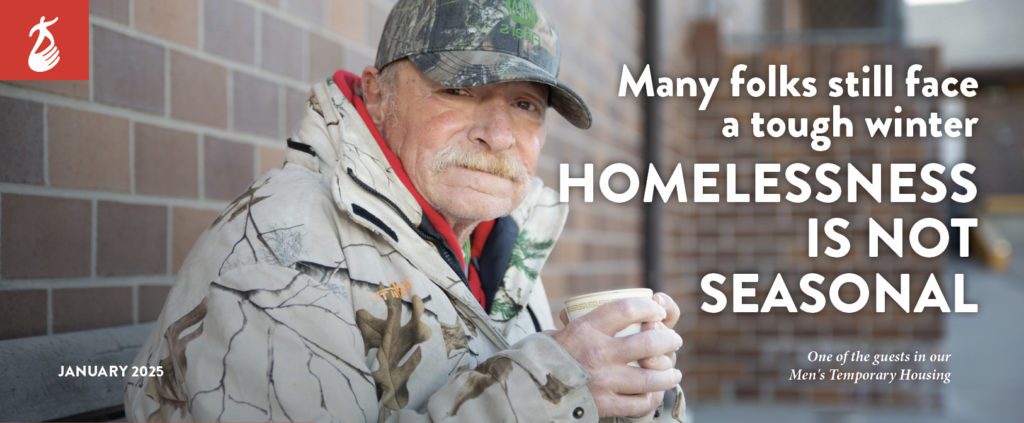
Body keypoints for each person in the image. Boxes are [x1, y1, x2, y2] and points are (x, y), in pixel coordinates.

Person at [124, 0, 686, 421]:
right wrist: (555, 385)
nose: (497, 134)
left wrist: (633, 396)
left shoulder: (497, 246)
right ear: (376, 93)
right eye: (460, 90)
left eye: (524, 105)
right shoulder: (280, 253)